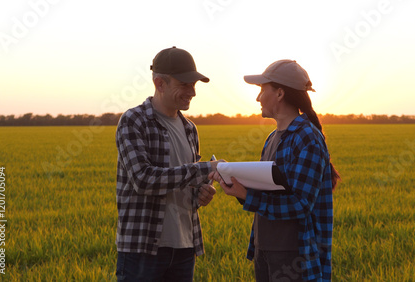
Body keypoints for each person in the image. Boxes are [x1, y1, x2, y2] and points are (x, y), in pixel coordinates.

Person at [209, 60, 340, 281]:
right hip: (265, 250)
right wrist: (237, 185)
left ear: (280, 94)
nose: (258, 98)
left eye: (262, 90)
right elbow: (271, 190)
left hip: (293, 257)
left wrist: (247, 196)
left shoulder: (306, 138)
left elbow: (301, 204)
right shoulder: (272, 138)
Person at [115, 46, 220, 281]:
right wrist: (205, 169)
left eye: (193, 85)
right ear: (160, 83)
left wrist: (201, 194)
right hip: (143, 250)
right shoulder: (134, 121)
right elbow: (143, 180)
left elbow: (187, 185)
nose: (192, 92)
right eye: (184, 84)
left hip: (185, 247)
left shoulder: (190, 129)